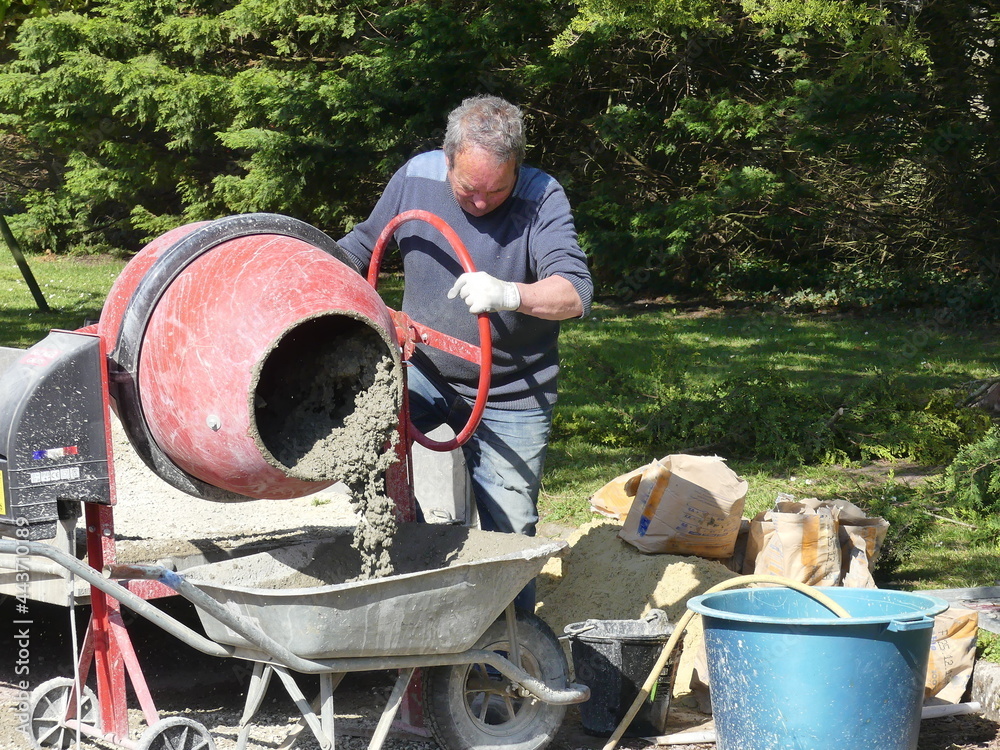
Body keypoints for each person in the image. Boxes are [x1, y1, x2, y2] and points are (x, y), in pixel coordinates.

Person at [337, 95, 593, 607]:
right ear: (447, 158)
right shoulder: (417, 177)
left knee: (512, 530)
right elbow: (360, 248)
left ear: (517, 168)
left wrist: (510, 293)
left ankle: (506, 648)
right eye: (468, 190)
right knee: (362, 437)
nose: (480, 203)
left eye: (496, 190)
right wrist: (350, 298)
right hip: (423, 369)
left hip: (512, 389)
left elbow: (575, 292)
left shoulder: (542, 196)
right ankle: (403, 580)